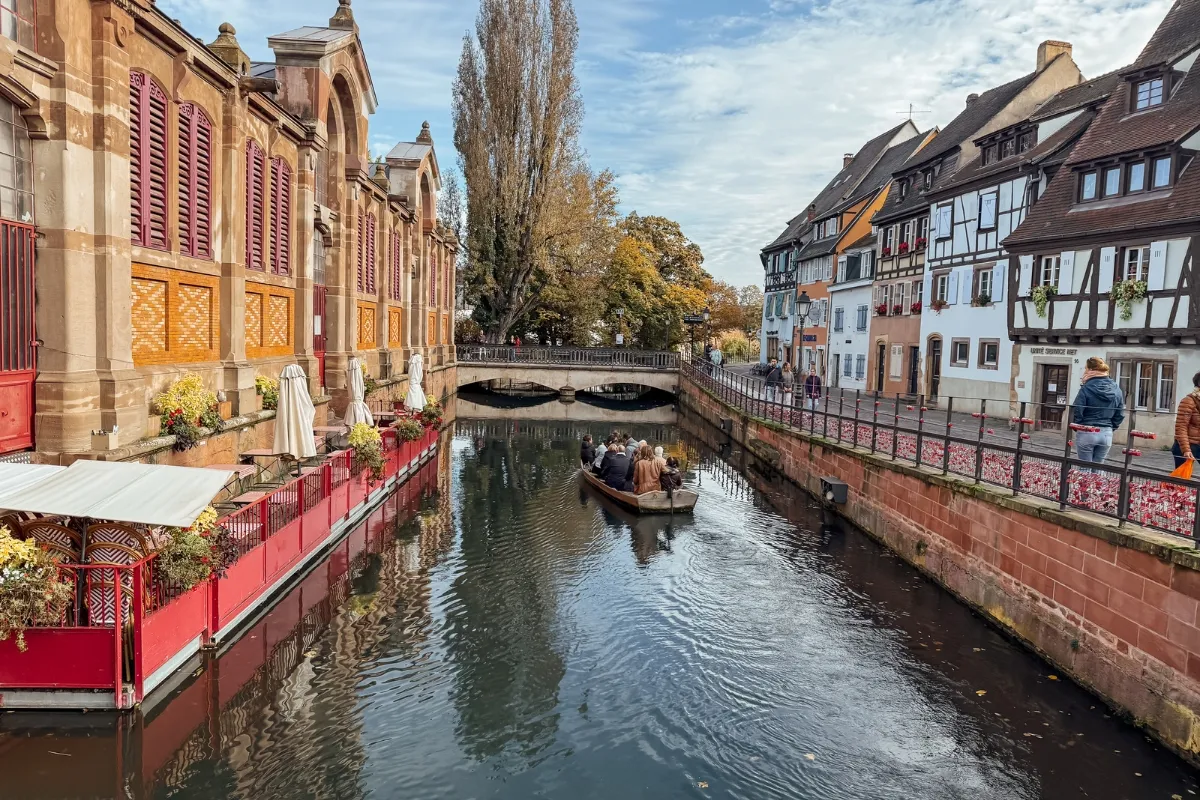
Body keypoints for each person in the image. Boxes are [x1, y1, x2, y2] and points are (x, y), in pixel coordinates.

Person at [1071, 357, 1125, 466]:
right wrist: (1111, 426)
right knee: (1099, 468)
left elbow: (1077, 409)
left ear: (1090, 370)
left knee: (1085, 468)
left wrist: (1079, 426)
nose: (1084, 371)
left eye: (1086, 368)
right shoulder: (1116, 387)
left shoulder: (1086, 387)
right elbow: (1120, 412)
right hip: (1106, 432)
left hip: (1087, 430)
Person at [1173, 371, 1200, 468]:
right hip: (1186, 445)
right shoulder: (1188, 401)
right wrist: (1186, 450)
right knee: (1182, 478)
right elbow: (1181, 426)